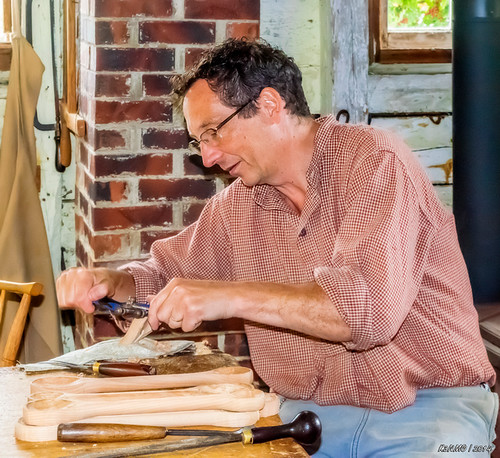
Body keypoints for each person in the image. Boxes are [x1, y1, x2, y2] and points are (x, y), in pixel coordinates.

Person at [57, 39, 497, 456]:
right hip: (304, 418)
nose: (208, 158)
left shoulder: (374, 161)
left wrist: (226, 295)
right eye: (198, 142)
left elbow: (365, 311)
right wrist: (109, 282)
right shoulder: (239, 203)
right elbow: (162, 276)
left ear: (269, 105)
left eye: (213, 133)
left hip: (432, 411)